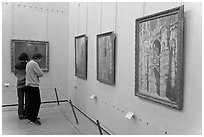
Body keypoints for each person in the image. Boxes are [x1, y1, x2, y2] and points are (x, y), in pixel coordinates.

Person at [26, 53, 43, 125]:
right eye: (40, 59)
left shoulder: (29, 63)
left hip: (28, 85)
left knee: (31, 102)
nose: (40, 60)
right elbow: (41, 74)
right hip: (33, 86)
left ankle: (30, 117)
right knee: (37, 102)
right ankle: (33, 118)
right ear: (38, 58)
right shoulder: (34, 64)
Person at [14, 53, 29, 119]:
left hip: (19, 85)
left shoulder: (16, 66)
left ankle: (20, 114)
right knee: (27, 100)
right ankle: (26, 114)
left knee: (20, 100)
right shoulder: (28, 65)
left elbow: (15, 73)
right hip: (27, 84)